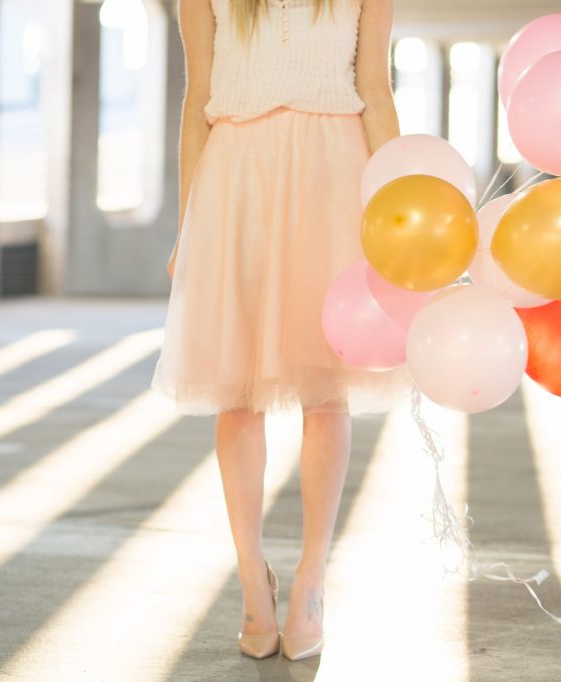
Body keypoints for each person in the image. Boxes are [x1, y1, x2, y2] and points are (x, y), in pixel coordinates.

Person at [150, 0, 412, 662]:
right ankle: (251, 585)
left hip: (335, 174)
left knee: (328, 391)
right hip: (237, 179)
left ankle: (311, 583)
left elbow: (376, 95)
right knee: (237, 394)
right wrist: (188, 225)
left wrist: (402, 219)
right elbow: (197, 104)